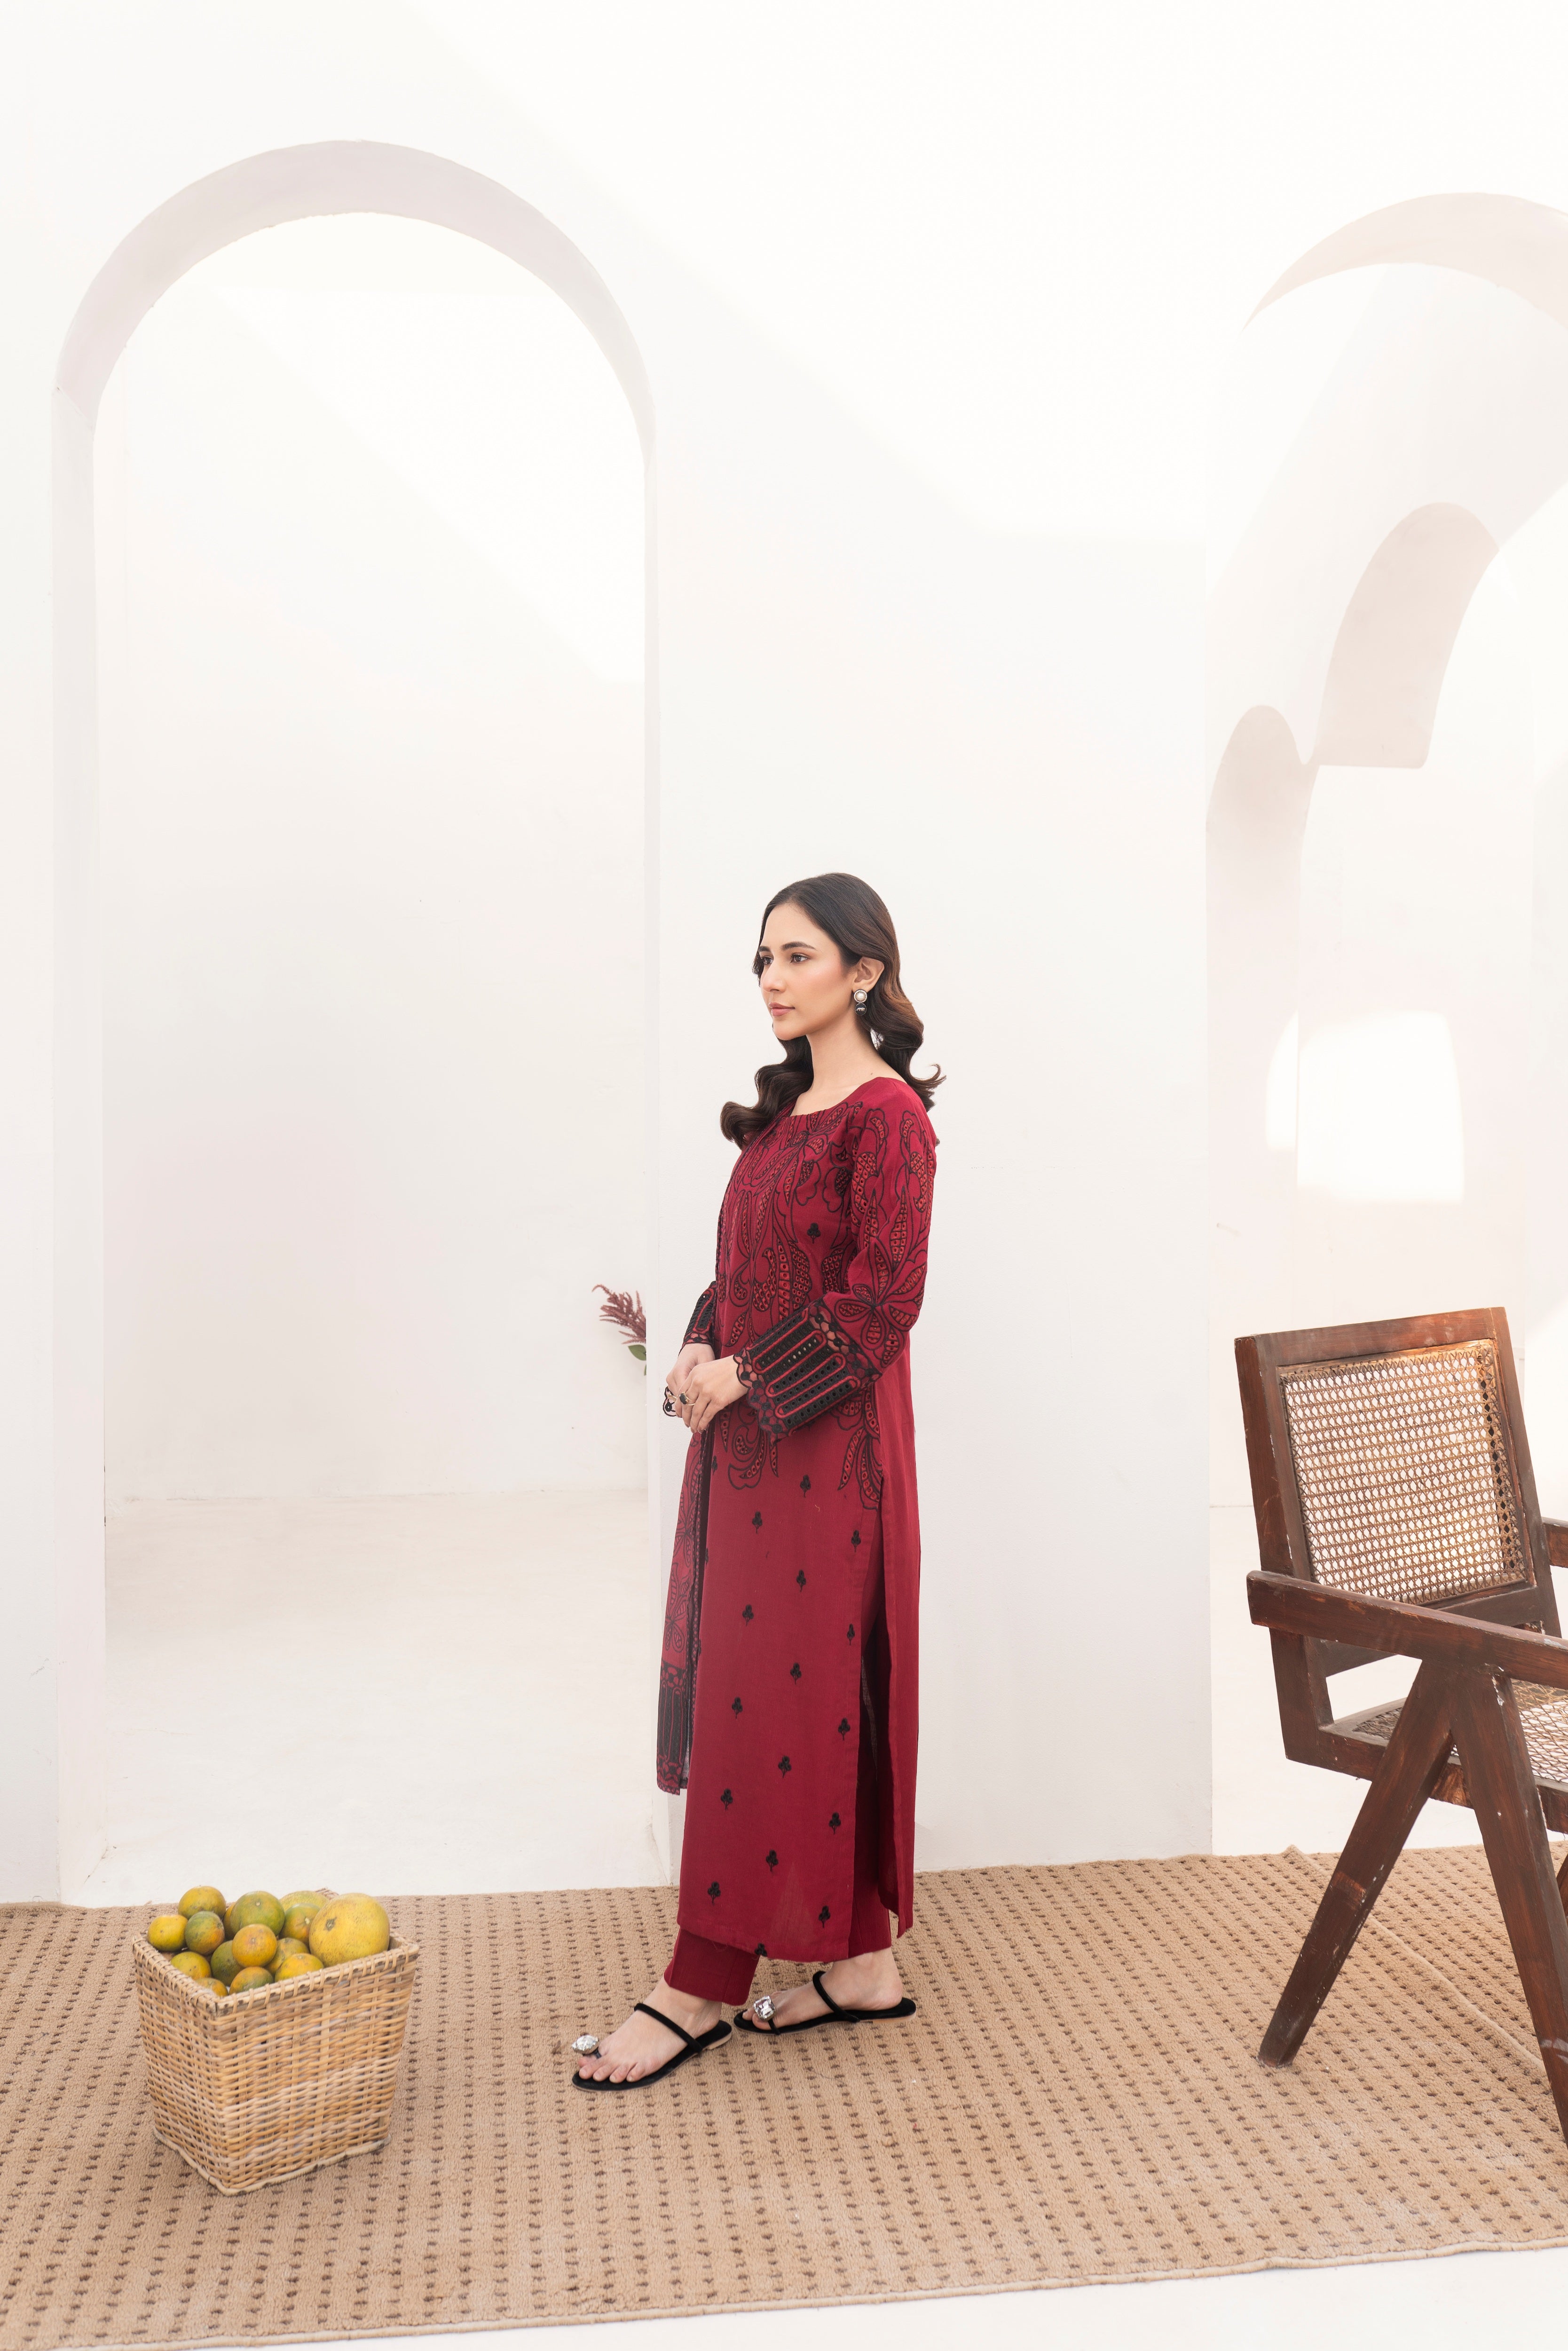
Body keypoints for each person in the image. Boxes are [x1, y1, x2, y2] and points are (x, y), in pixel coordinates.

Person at [573, 872, 940, 2088]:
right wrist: (697, 1344)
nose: (774, 980)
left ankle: (698, 1985)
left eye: (798, 957)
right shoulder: (788, 1117)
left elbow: (882, 1305)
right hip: (755, 1454)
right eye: (763, 960)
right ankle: (863, 1968)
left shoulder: (887, 1121)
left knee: (773, 1711)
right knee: (783, 1702)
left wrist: (745, 1377)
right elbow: (747, 1269)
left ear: (864, 973)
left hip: (831, 1468)